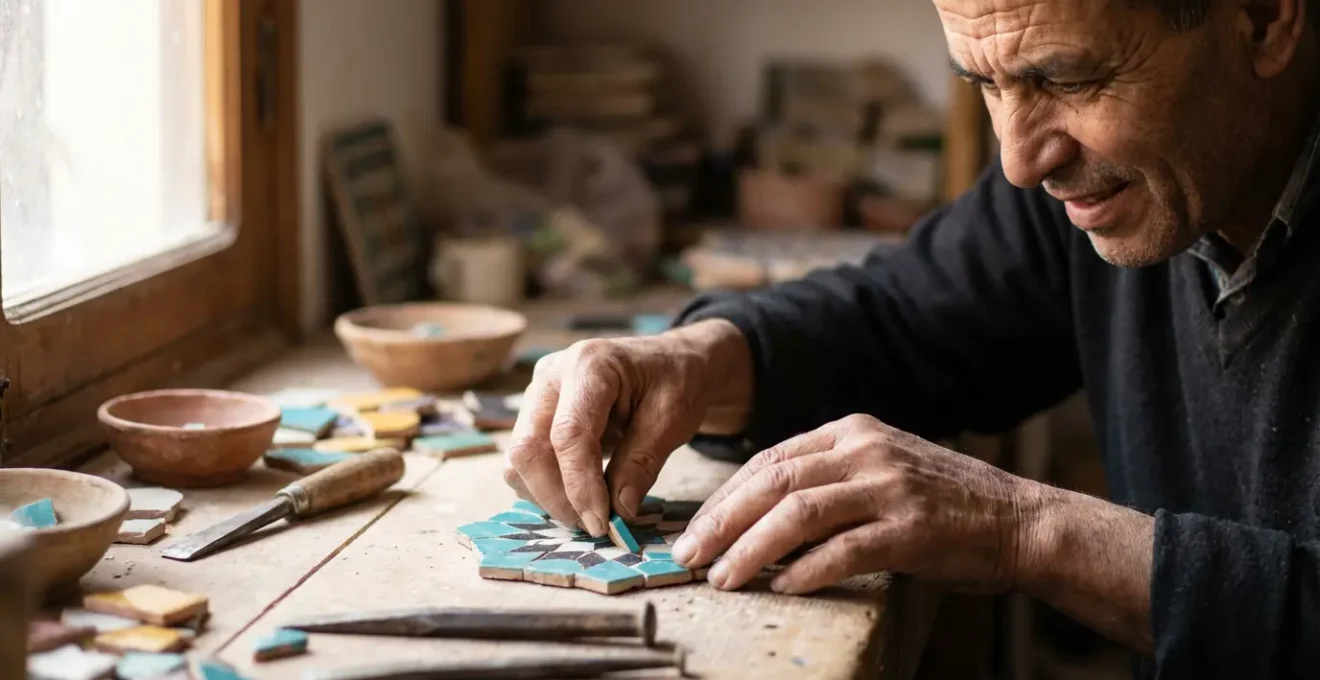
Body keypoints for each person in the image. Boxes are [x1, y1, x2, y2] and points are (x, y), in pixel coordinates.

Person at [503, 0, 1320, 676]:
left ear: (1262, 19)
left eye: (1067, 78)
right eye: (985, 85)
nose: (1020, 161)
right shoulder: (1114, 181)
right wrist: (702, 357)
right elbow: (908, 317)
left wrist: (1025, 531)